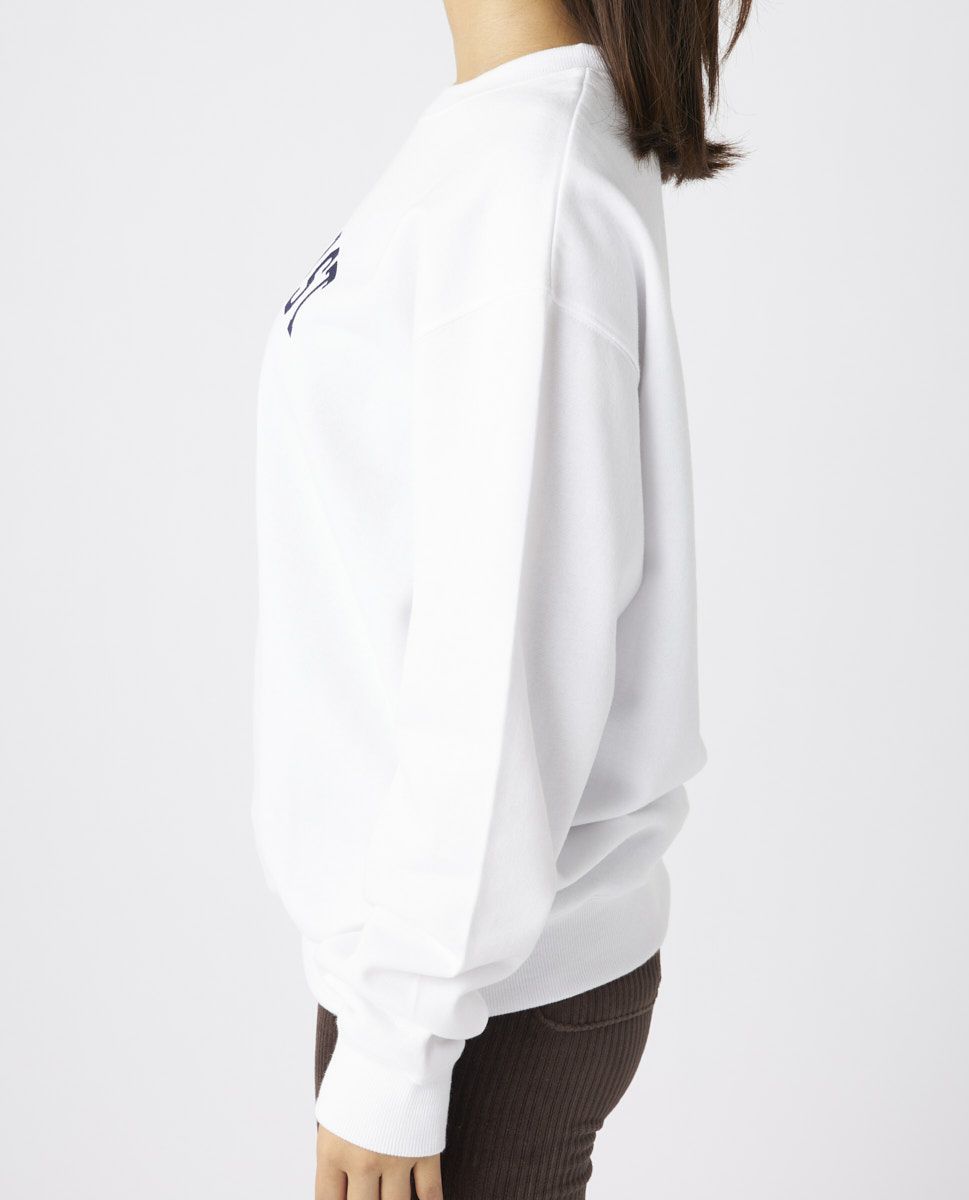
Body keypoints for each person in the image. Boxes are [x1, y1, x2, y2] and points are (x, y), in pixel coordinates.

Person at [252, 1, 751, 1196]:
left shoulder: (528, 181)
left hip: (475, 1000)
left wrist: (397, 1047)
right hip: (437, 972)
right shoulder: (494, 144)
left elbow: (500, 653)